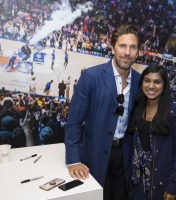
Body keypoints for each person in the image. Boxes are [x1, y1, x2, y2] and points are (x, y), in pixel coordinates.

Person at [65, 24, 141, 200]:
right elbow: (74, 121)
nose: (127, 52)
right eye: (122, 46)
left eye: (133, 47)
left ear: (138, 51)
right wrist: (74, 160)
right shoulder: (91, 77)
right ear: (112, 47)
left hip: (124, 156)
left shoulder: (139, 81)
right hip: (94, 153)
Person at [127, 65, 176, 200]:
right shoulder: (138, 108)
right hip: (136, 181)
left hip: (160, 184)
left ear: (164, 85)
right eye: (147, 80)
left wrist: (173, 186)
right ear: (141, 83)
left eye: (157, 82)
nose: (151, 86)